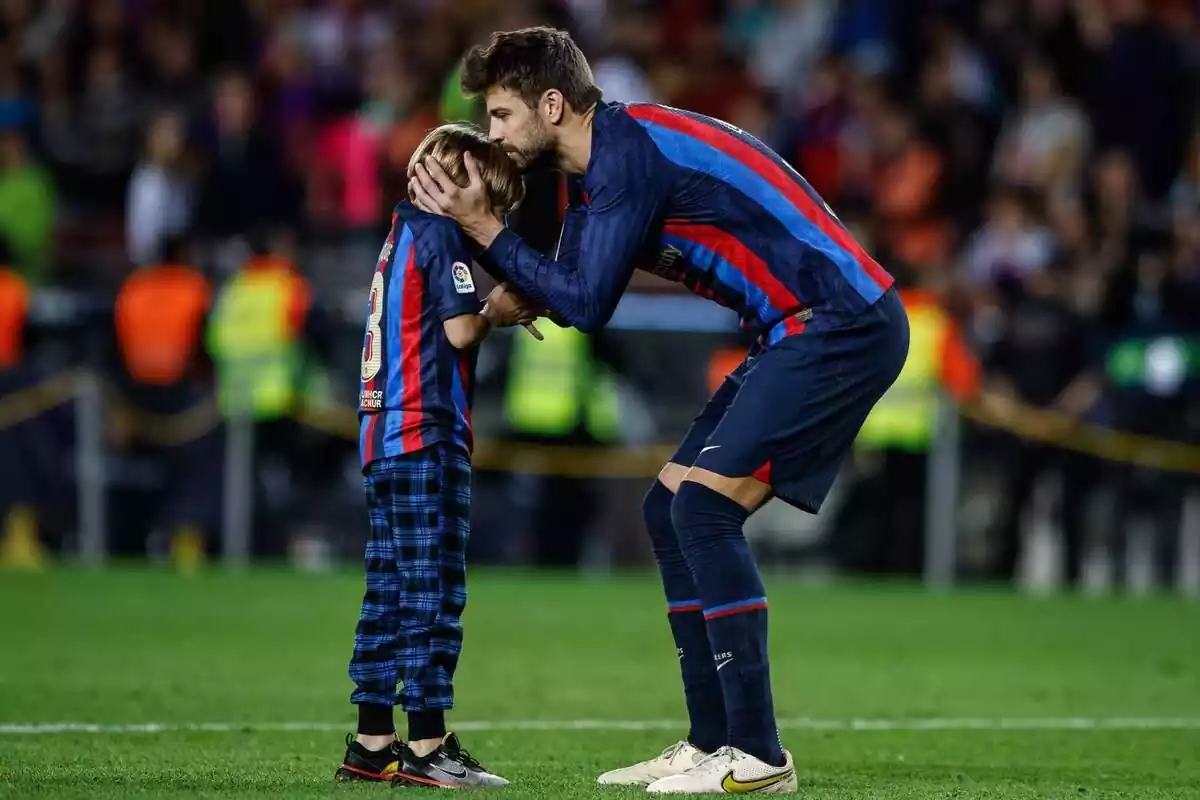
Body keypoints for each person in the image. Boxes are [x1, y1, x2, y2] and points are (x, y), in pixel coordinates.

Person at [410, 27, 909, 796]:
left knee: (704, 510)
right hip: (802, 325)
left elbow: (586, 300)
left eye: (503, 115)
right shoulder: (609, 161)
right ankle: (712, 743)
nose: (495, 134)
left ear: (552, 104)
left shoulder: (625, 158)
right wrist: (516, 287)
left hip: (838, 321)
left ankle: (760, 755)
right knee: (670, 504)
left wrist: (485, 230)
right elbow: (570, 279)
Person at [337, 123, 538, 789]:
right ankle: (427, 744)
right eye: (494, 200)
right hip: (427, 432)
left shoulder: (397, 235)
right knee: (433, 590)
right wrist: (497, 310)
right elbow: (458, 328)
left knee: (388, 588)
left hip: (383, 435)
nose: (494, 217)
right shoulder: (442, 234)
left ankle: (372, 740)